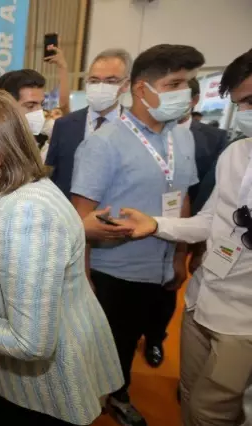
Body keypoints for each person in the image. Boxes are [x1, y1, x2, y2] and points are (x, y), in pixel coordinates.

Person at [0, 90, 123, 426]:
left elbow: (30, 342)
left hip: (43, 395)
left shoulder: (27, 215)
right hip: (21, 381)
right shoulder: (8, 189)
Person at [71, 44, 205, 426]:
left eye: (187, 83)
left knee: (137, 339)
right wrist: (83, 278)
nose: (184, 92)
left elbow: (184, 200)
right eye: (174, 83)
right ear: (143, 89)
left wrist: (179, 257)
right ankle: (112, 396)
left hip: (161, 264)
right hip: (115, 269)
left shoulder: (183, 138)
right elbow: (80, 217)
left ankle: (114, 391)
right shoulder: (102, 143)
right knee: (112, 343)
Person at [118, 48, 252, 426]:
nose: (245, 112)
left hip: (243, 323)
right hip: (202, 302)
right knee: (190, 396)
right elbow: (210, 221)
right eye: (242, 103)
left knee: (214, 413)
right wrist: (156, 225)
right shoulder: (237, 154)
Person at [141, 77, 229, 368]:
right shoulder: (141, 132)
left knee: (168, 293)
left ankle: (155, 339)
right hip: (142, 228)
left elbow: (213, 198)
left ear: (193, 101)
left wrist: (193, 248)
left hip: (189, 228)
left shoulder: (214, 139)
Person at [46, 48, 132, 197]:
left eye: (110, 81)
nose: (100, 86)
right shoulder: (64, 125)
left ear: (125, 84)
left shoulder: (135, 127)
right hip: (68, 213)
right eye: (94, 80)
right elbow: (53, 175)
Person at [0, 69, 53, 157]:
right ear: (5, 107)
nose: (39, 112)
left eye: (42, 104)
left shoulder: (40, 147)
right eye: (30, 106)